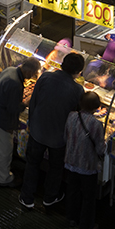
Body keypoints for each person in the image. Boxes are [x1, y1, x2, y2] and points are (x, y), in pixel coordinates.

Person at [21, 51, 85, 209]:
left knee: (32, 164)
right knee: (56, 168)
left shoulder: (45, 77)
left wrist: (31, 122)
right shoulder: (78, 90)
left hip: (37, 130)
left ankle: (27, 197)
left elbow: (33, 101)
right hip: (59, 138)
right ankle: (49, 198)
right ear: (78, 72)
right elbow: (77, 116)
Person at [0, 57, 40, 188]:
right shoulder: (15, 83)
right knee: (5, 149)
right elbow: (13, 108)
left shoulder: (10, 70)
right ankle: (5, 179)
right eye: (34, 73)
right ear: (29, 70)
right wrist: (25, 103)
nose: (33, 76)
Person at [64, 91, 105, 229]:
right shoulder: (96, 124)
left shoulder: (71, 116)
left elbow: (65, 137)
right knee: (88, 198)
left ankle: (71, 218)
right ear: (97, 107)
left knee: (72, 191)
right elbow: (100, 149)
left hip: (70, 162)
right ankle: (85, 227)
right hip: (87, 167)